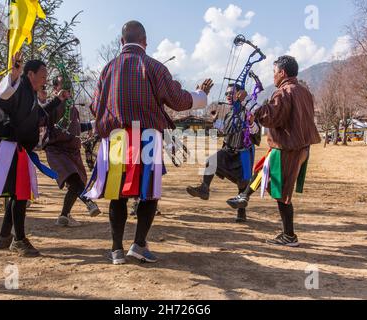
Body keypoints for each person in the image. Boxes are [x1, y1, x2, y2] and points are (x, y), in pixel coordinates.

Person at [85, 20, 213, 265]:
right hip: (146, 138)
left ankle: (116, 251)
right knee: (149, 194)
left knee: (117, 194)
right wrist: (201, 96)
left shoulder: (107, 69)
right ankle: (139, 244)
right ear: (145, 42)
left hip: (116, 140)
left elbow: (94, 106)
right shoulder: (154, 67)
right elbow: (177, 99)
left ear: (122, 42)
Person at [0, 53, 70, 257]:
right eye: (43, 74)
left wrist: (58, 100)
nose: (45, 79)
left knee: (17, 193)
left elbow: (39, 116)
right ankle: (19, 240)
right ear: (30, 74)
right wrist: (13, 74)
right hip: (7, 147)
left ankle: (4, 237)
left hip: (18, 149)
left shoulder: (30, 94)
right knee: (19, 195)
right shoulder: (18, 87)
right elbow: (2, 94)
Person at [227, 55, 321, 247]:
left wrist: (246, 101)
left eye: (274, 72)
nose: (273, 76)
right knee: (263, 170)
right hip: (298, 147)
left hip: (288, 148)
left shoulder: (284, 92)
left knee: (281, 192)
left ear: (282, 73)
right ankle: (244, 195)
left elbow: (269, 117)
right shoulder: (303, 91)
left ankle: (289, 235)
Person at [186, 83, 261, 223]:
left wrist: (251, 123)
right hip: (228, 150)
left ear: (239, 94)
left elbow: (256, 132)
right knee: (211, 162)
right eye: (226, 93)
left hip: (244, 152)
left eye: (231, 93)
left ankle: (241, 212)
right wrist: (215, 121)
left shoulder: (249, 109)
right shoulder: (230, 111)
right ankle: (204, 189)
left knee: (243, 183)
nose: (228, 96)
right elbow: (225, 130)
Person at [41, 76, 101, 228]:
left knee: (77, 183)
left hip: (72, 151)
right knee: (73, 178)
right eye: (63, 86)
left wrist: (93, 124)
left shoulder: (73, 108)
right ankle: (89, 202)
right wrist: (55, 101)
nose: (67, 90)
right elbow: (41, 118)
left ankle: (64, 215)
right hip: (56, 150)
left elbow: (75, 128)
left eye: (69, 87)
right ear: (55, 88)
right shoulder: (52, 105)